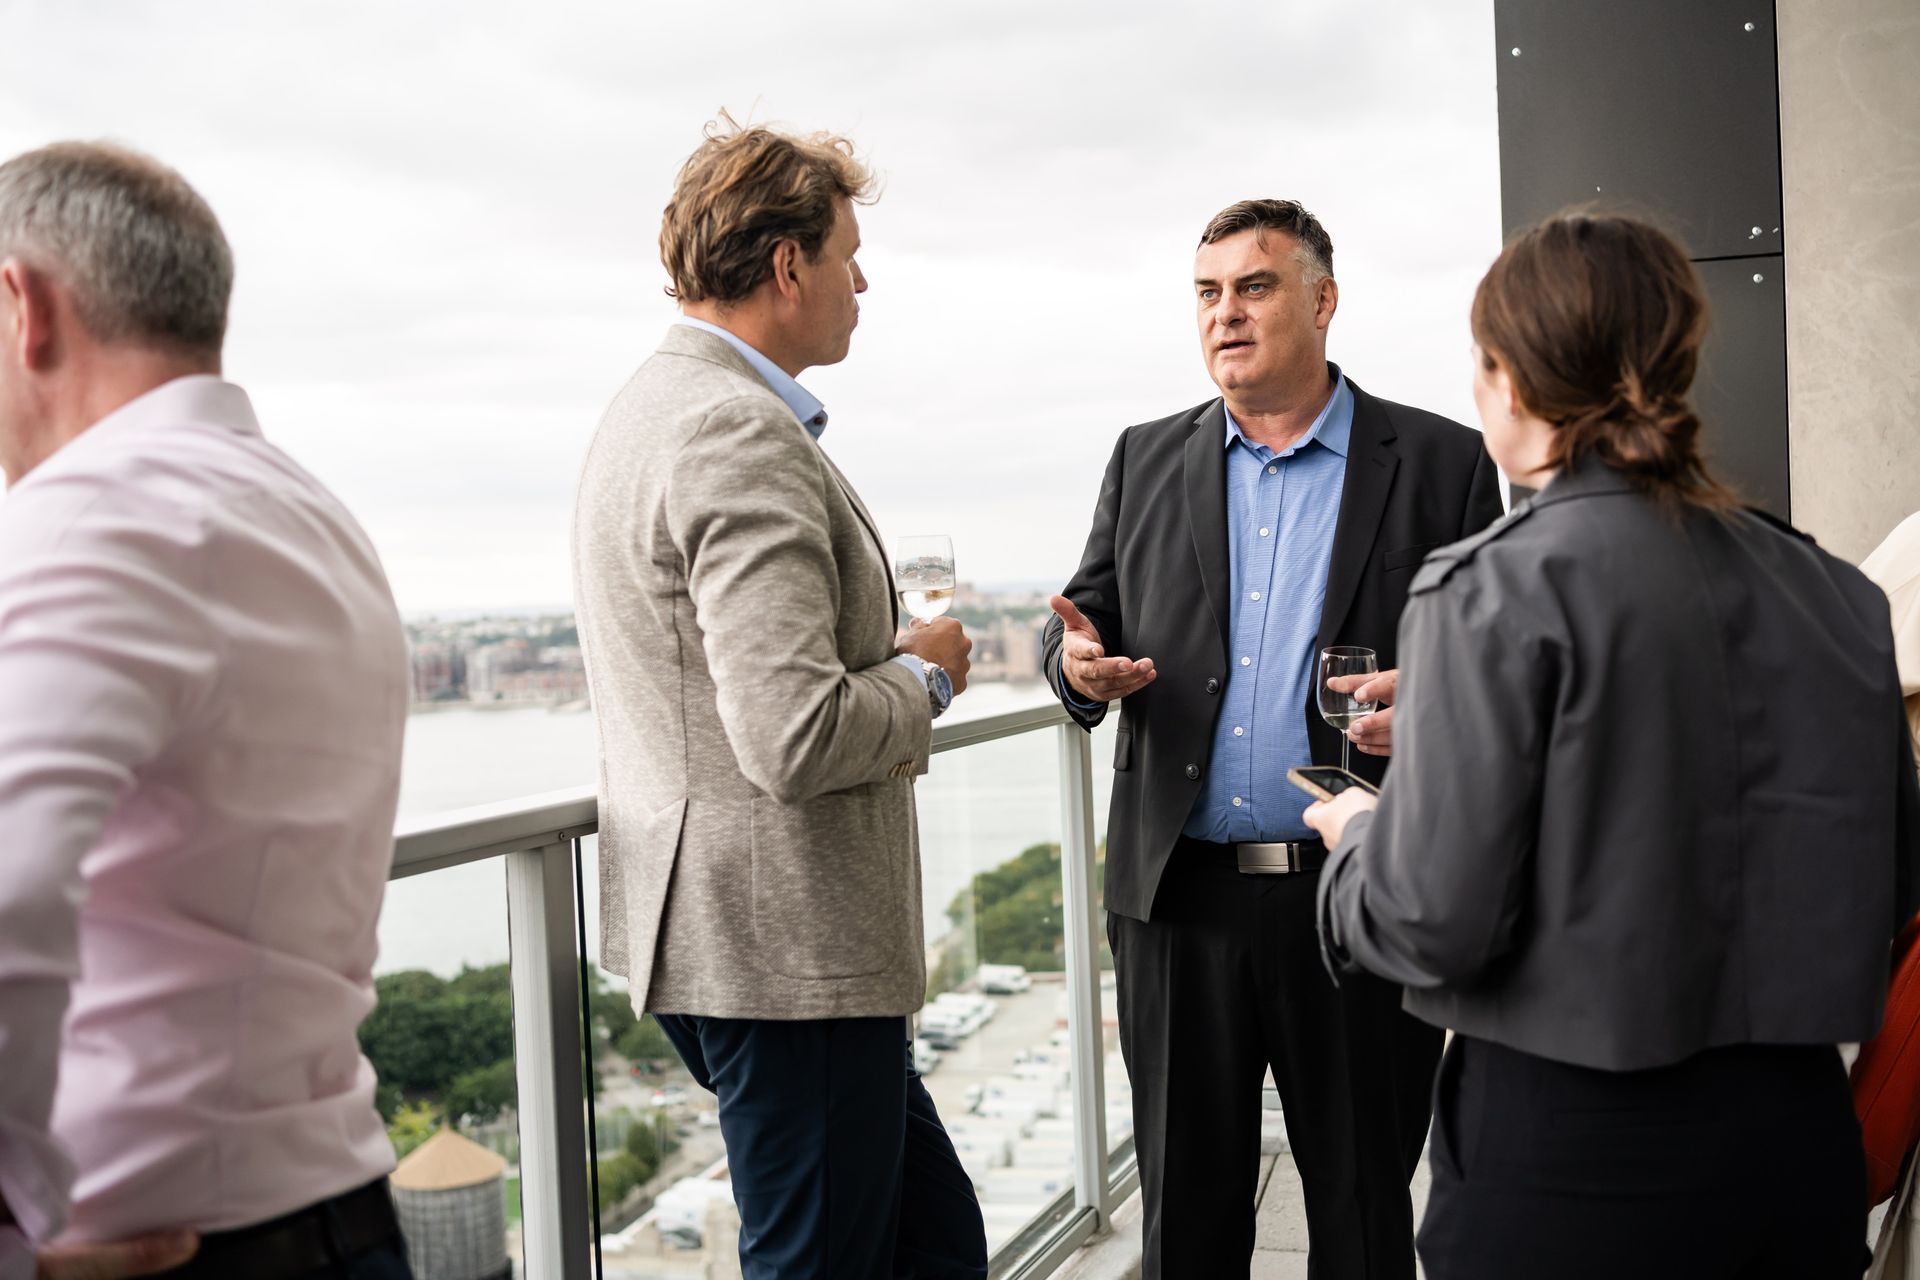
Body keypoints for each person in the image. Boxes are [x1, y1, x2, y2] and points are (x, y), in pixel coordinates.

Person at [1307, 211, 1920, 1279]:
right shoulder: (1839, 594)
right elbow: (1885, 871)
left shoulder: (1490, 584)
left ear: (1511, 376)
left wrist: (1360, 833)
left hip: (1567, 1172)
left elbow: (1425, 923)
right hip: (1795, 1156)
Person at [1042, 198, 1503, 1278]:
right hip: (1176, 899)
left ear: (1322, 300)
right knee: (1186, 1224)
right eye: (1207, 293)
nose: (1225, 314)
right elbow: (1083, 620)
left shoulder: (1442, 462)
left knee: (1361, 1216)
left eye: (1253, 287)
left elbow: (1499, 673)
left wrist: (1434, 693)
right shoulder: (1143, 457)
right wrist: (1075, 668)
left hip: (1353, 896)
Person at [572, 116, 986, 1280]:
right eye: (849, 252)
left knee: (936, 1241)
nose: (862, 279)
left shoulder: (647, 407)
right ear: (788, 264)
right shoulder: (732, 430)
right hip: (784, 952)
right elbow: (793, 733)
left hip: (734, 938)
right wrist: (926, 675)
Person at [0, 143, 414, 1278]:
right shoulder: (317, 521)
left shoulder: (87, 517)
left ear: (21, 304)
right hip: (344, 1211)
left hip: (143, 1248)